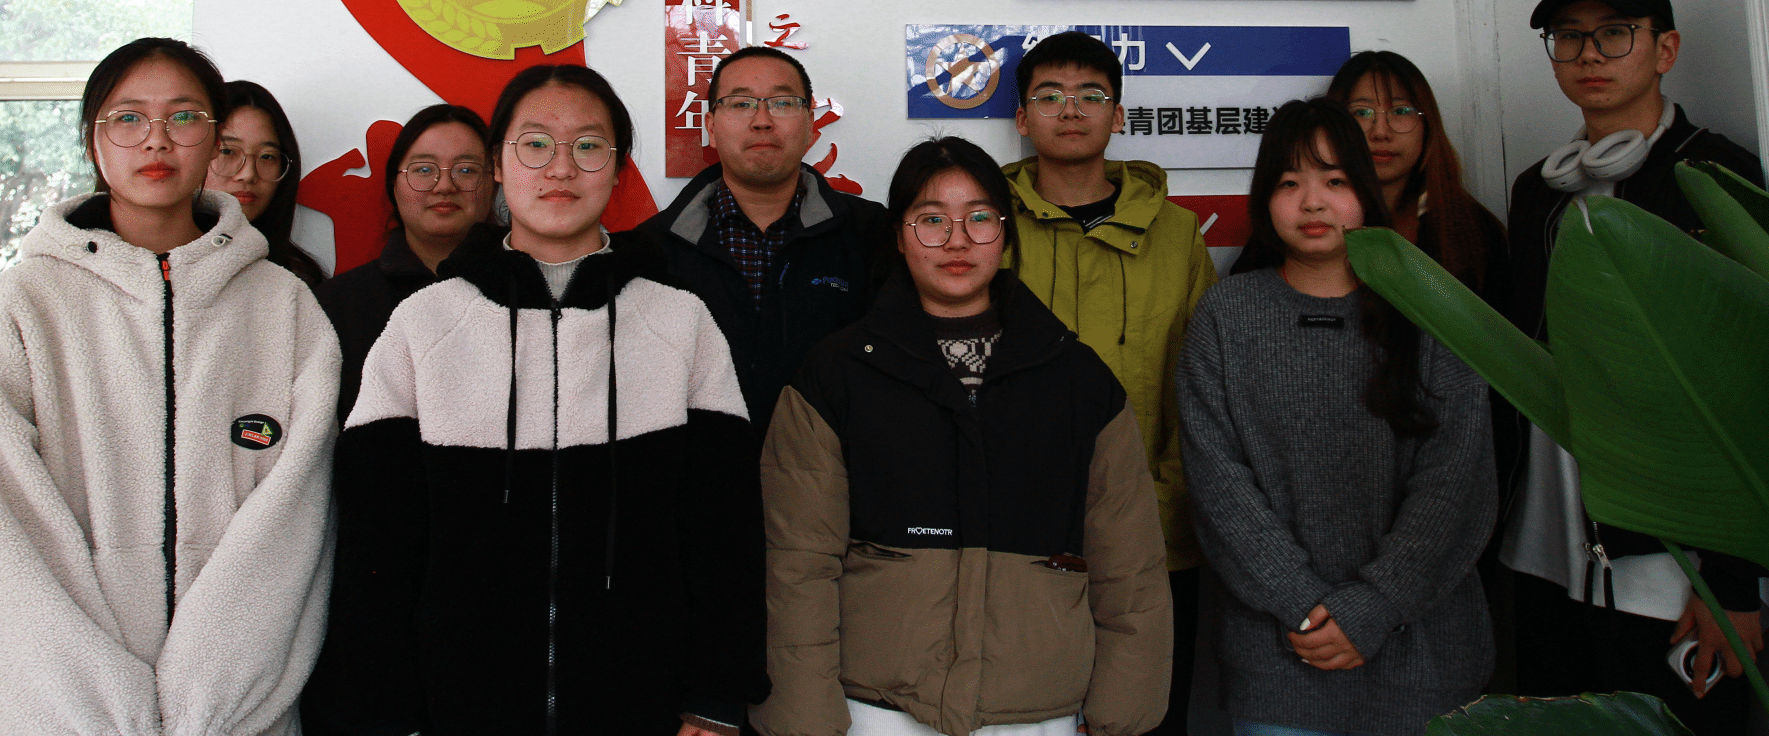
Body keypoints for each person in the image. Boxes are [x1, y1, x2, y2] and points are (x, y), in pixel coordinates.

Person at [307, 64, 767, 736]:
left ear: (618, 169)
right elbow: (376, 545)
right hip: (457, 707)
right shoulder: (423, 325)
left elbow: (724, 530)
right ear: (498, 164)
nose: (561, 167)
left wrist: (716, 698)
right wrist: (386, 712)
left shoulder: (680, 322)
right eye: (535, 144)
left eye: (588, 145)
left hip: (642, 703)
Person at [0, 37, 339, 736]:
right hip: (50, 717)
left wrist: (201, 706)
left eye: (184, 116)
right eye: (128, 118)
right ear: (94, 141)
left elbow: (296, 525)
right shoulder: (24, 303)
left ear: (213, 138)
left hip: (236, 718)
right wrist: (95, 708)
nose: (157, 138)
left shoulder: (284, 306)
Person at [757, 135, 1173, 736]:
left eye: (980, 218)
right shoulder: (837, 374)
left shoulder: (1079, 380)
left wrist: (1121, 709)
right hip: (871, 706)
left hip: (1038, 707)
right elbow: (798, 562)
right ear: (899, 236)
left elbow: (1129, 564)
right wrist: (806, 715)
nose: (957, 240)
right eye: (931, 220)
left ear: (1005, 234)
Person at [1493, 0, 1768, 735]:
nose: (1589, 54)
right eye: (1569, 36)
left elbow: (1751, 381)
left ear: (1664, 47)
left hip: (1673, 570)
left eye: (1614, 32)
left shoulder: (1716, 175)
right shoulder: (1537, 190)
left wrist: (1736, 585)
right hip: (1546, 552)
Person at [1178, 98, 1496, 736]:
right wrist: (1302, 604)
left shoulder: (1432, 308)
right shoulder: (1224, 317)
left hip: (1425, 660)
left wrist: (1374, 606)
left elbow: (1455, 483)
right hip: (1280, 663)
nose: (1312, 202)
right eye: (1288, 183)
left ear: (1366, 192)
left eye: (1335, 180)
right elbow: (1218, 487)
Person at [1001, 30, 1217, 736]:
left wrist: (1163, 504)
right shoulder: (984, 225)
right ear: (1022, 116)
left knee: (1142, 718)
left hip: (1152, 536)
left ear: (1118, 115)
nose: (1071, 109)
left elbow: (1203, 388)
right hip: (1012, 535)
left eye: (1091, 94)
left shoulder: (1177, 233)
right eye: (1050, 95)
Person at [643, 46, 886, 430]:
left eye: (782, 103)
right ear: (711, 126)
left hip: (831, 461)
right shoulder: (651, 248)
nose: (762, 121)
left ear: (810, 124)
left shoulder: (873, 234)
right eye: (741, 104)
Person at [309, 102, 492, 421]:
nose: (445, 186)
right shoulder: (335, 306)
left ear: (494, 182)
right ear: (394, 184)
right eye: (423, 170)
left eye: (466, 170)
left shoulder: (530, 291)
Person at [1325, 51, 1507, 295]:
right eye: (1361, 112)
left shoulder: (1476, 230)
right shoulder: (1311, 221)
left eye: (1400, 111)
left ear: (1427, 125)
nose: (1381, 132)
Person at [214, 79, 327, 284]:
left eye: (267, 156)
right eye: (228, 151)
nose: (248, 174)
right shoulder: (158, 262)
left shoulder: (297, 282)